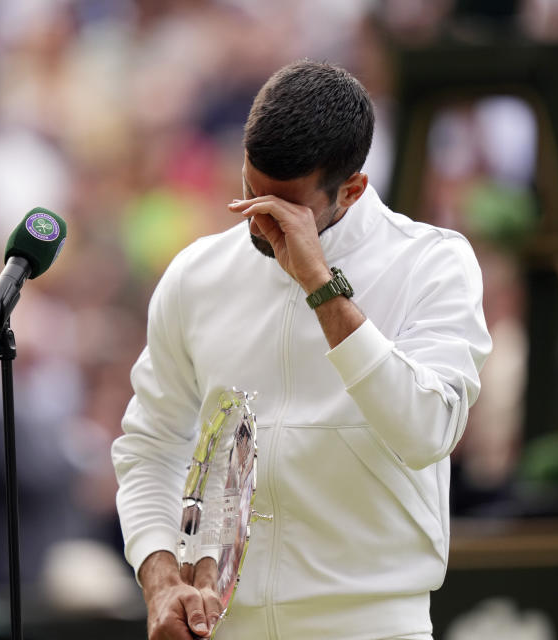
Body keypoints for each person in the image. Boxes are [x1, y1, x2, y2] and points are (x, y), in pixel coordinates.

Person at [112, 60, 492, 640]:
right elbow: (150, 445)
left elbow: (427, 432)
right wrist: (160, 578)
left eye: (284, 209)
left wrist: (322, 287)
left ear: (354, 188)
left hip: (374, 627)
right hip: (224, 628)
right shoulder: (197, 275)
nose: (260, 224)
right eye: (249, 192)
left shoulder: (433, 263)